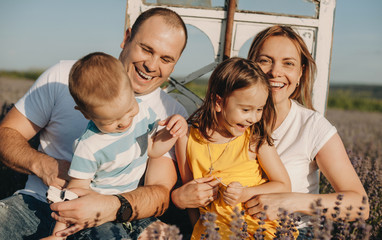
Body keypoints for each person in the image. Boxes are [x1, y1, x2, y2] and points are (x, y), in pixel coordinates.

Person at [0, 7, 188, 239]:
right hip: (34, 203)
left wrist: (111, 206)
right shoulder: (63, 76)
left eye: (166, 59)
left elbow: (159, 192)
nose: (151, 65)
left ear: (175, 64)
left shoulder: (169, 112)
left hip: (108, 218)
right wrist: (44, 165)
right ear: (127, 38)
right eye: (146, 49)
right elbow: (6, 133)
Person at [171, 25, 369, 239]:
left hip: (289, 232)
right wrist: (179, 198)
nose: (275, 72)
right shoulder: (222, 121)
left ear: (301, 72)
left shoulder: (312, 126)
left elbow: (360, 205)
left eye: (288, 64)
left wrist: (289, 200)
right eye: (265, 61)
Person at [42, 52, 187, 240]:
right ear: (86, 114)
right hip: (97, 215)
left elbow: (153, 149)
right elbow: (74, 193)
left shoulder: (142, 112)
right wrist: (58, 235)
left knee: (168, 236)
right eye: (113, 121)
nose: (125, 122)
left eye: (128, 110)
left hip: (130, 207)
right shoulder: (89, 146)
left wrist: (172, 132)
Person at [175, 57, 293, 239]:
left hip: (257, 228)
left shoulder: (254, 137)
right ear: (218, 102)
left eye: (259, 109)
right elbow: (191, 196)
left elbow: (283, 185)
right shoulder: (187, 138)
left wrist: (246, 193)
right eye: (246, 110)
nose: (253, 118)